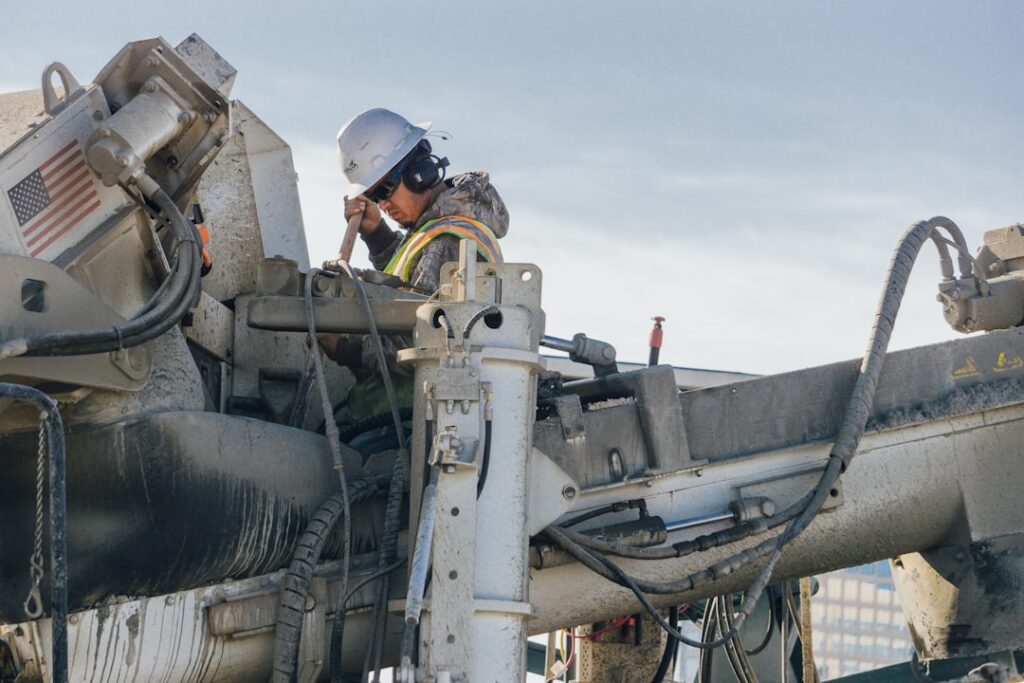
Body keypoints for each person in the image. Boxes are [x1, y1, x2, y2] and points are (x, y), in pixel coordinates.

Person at [321, 108, 509, 431]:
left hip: (409, 425)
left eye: (384, 190)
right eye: (372, 195)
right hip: (401, 416)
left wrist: (344, 348)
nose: (382, 204)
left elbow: (422, 342)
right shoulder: (437, 230)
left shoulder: (450, 238)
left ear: (418, 172)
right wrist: (377, 235)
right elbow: (413, 287)